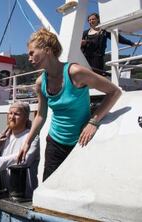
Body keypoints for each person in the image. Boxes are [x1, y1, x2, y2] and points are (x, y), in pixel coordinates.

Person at [17, 28, 122, 181]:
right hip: (54, 143)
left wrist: (94, 121)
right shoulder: (40, 83)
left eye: (32, 53)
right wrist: (27, 142)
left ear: (47, 50)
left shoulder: (75, 72)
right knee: (50, 187)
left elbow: (114, 92)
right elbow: (40, 115)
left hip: (81, 142)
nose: (29, 58)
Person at [0, 102, 39, 198]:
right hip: (6, 192)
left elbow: (24, 160)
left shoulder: (32, 138)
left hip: (25, 196)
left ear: (26, 118)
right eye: (10, 113)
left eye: (16, 114)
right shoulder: (1, 138)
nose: (12, 117)